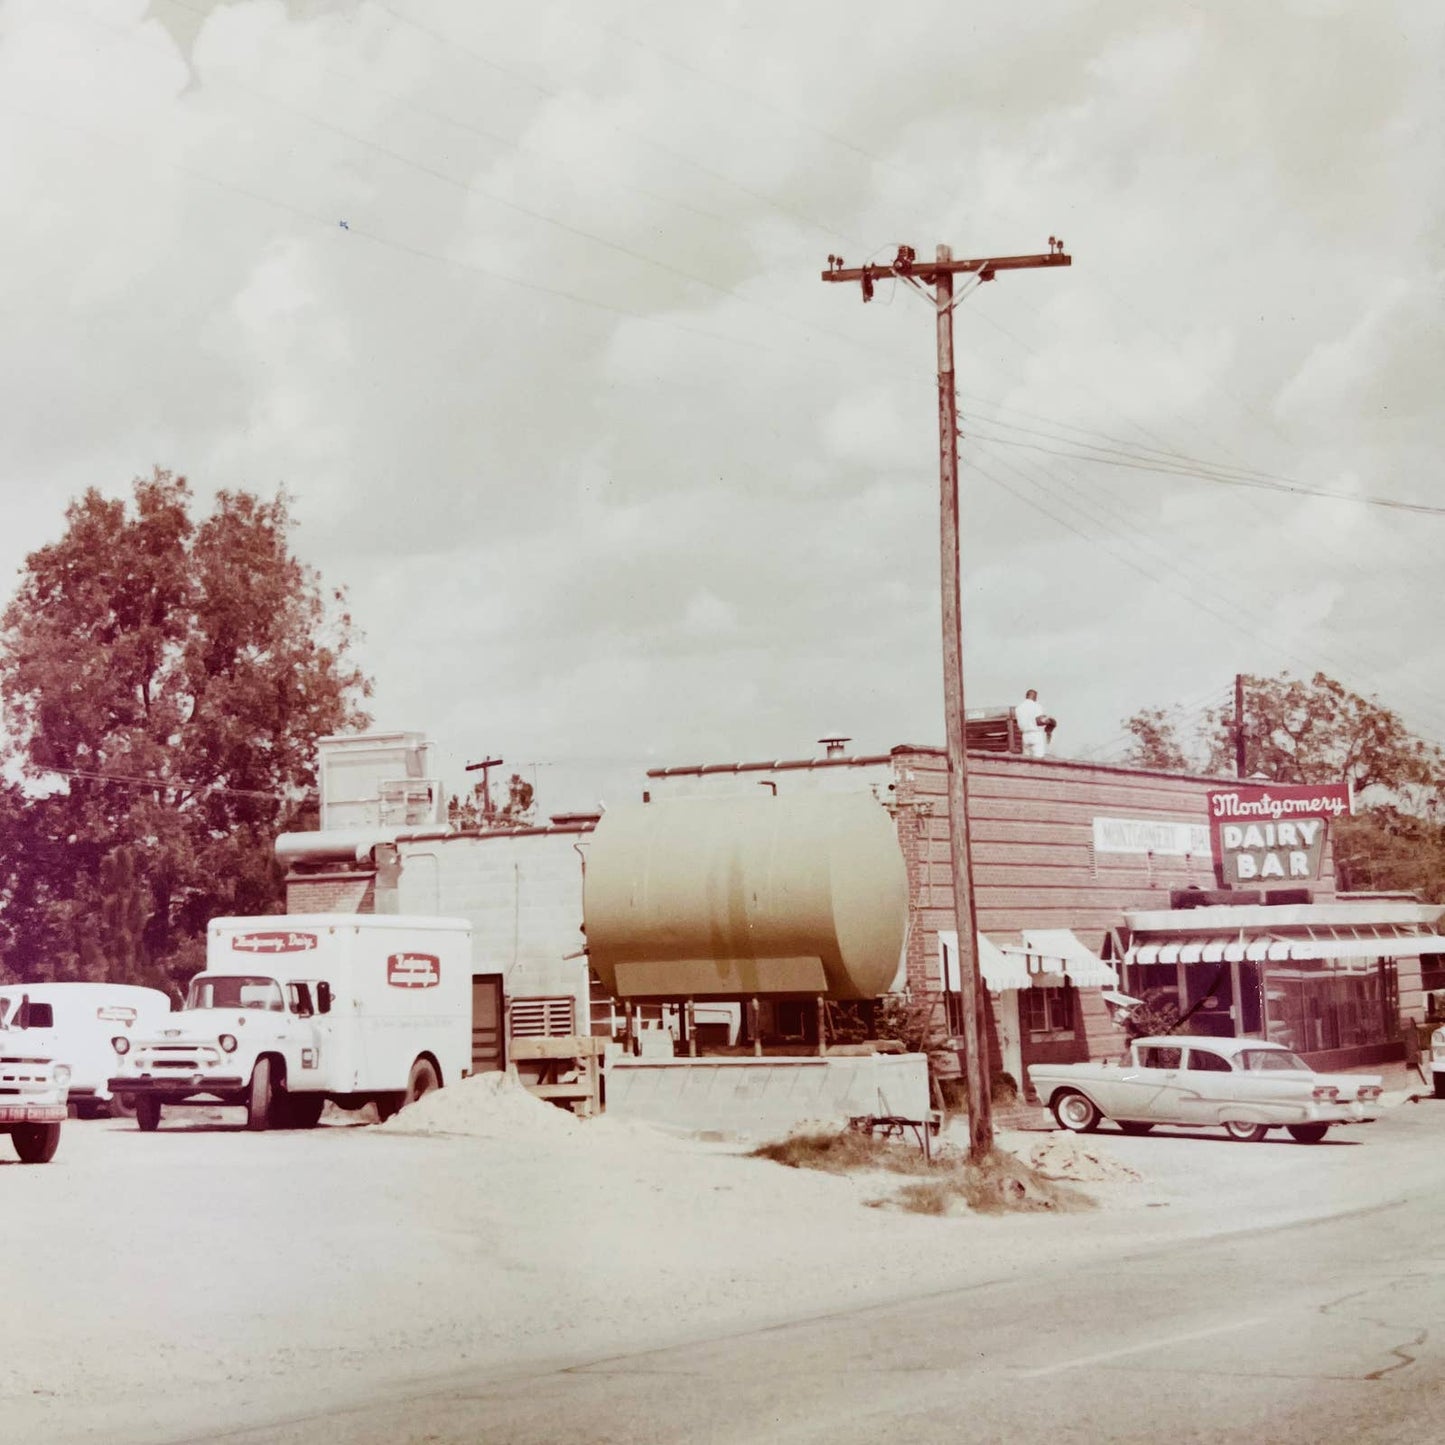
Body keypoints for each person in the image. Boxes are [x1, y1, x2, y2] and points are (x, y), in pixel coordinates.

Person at [1015, 688, 1056, 757]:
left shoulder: (1018, 708)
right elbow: (1039, 721)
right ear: (1035, 696)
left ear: (1026, 696)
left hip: (1025, 736)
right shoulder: (1036, 706)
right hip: (1035, 735)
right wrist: (1049, 721)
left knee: (1027, 760)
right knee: (1039, 760)